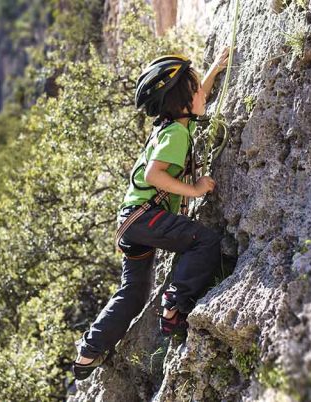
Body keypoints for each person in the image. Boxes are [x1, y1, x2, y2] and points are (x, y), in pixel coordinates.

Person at [72, 47, 231, 381]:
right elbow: (153, 176)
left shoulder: (171, 124)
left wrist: (215, 69)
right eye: (195, 89)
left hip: (132, 220)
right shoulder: (175, 134)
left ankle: (89, 352)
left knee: (133, 292)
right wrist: (196, 189)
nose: (202, 93)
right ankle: (174, 305)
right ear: (182, 102)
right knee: (203, 240)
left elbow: (194, 95)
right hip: (145, 218)